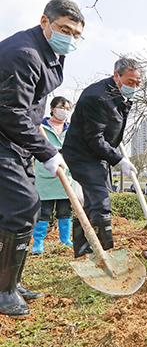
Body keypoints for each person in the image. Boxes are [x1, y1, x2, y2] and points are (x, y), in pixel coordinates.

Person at [0, 0, 84, 316]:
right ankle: (3, 291)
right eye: (65, 29)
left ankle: (10, 280)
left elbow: (31, 106)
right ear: (44, 22)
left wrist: (43, 145)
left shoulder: (51, 54)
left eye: (76, 34)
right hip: (4, 135)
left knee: (21, 208)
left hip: (16, 139)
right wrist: (47, 151)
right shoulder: (24, 53)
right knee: (23, 205)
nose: (70, 38)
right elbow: (11, 111)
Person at [62, 57, 141, 258]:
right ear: (116, 76)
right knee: (100, 202)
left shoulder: (118, 95)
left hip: (98, 154)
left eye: (137, 83)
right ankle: (104, 254)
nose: (134, 87)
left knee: (92, 203)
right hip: (82, 154)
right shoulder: (96, 97)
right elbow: (94, 138)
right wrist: (118, 159)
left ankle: (84, 251)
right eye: (130, 82)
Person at [32, 97, 74, 255]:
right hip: (45, 174)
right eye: (61, 107)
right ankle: (38, 243)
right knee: (44, 212)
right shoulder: (40, 126)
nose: (64, 111)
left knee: (65, 210)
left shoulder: (70, 129)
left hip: (65, 174)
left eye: (67, 108)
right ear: (52, 108)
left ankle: (65, 240)